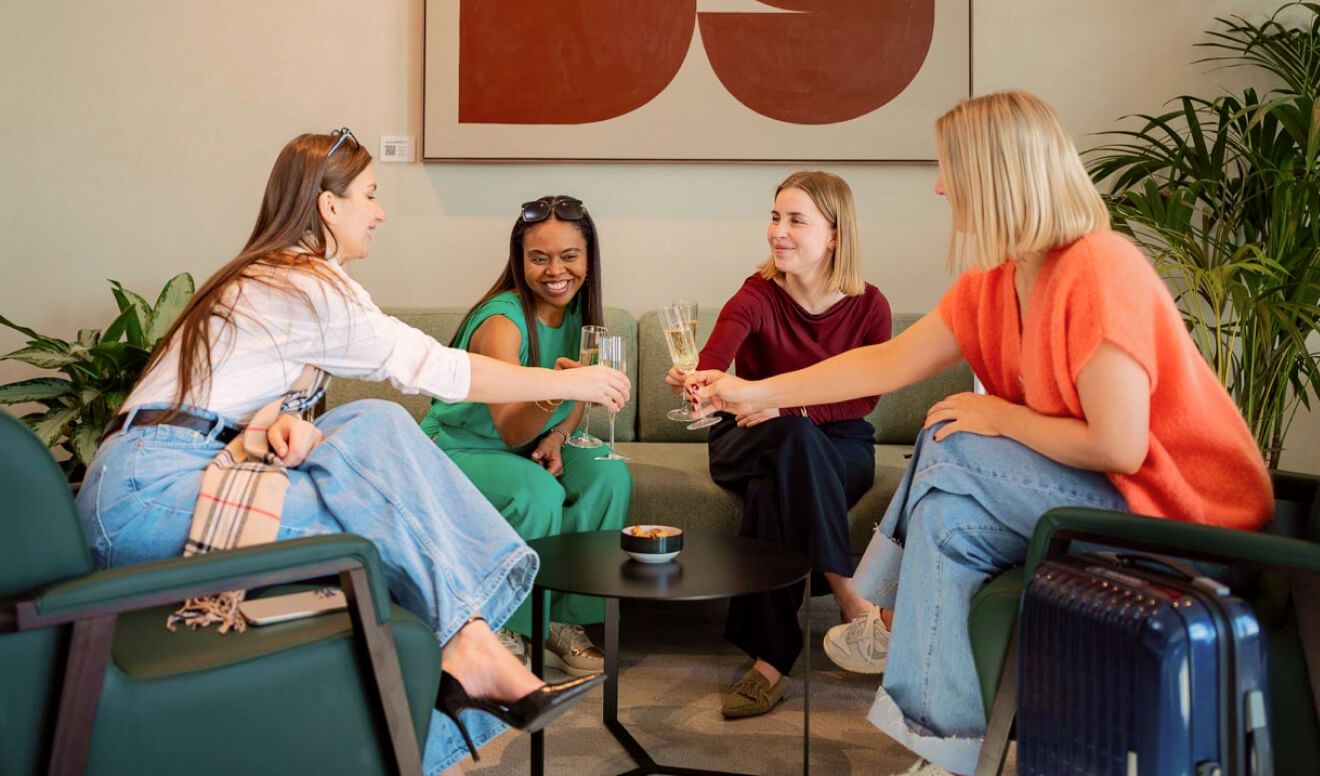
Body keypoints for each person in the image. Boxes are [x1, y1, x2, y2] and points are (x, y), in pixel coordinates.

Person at [688, 92, 1273, 774]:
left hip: (1181, 514)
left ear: (997, 174)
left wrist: (1000, 417)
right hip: (1094, 493)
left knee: (954, 441)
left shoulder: (1099, 266)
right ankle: (952, 752)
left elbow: (1121, 447)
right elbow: (887, 362)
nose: (938, 186)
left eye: (947, 169)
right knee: (943, 523)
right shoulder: (992, 283)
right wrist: (752, 391)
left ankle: (881, 612)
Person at [75, 129, 631, 776]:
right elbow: (434, 367)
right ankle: (473, 647)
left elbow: (213, 392)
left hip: (154, 480)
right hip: (150, 497)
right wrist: (571, 383)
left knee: (369, 433)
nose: (380, 211)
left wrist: (270, 421)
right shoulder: (302, 284)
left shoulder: (278, 277)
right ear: (327, 206)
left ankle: (461, 665)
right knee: (378, 474)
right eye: (369, 194)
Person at [664, 171, 891, 719]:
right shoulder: (757, 294)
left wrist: (789, 406)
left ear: (834, 234)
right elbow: (718, 362)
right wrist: (703, 382)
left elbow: (865, 400)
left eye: (795, 220)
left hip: (840, 445)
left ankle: (771, 662)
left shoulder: (869, 306)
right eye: (774, 217)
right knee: (789, 439)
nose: (777, 232)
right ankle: (851, 598)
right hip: (747, 438)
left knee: (777, 480)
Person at [420, 195, 630, 677]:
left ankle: (561, 620)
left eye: (569, 256)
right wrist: (563, 387)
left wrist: (557, 437)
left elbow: (575, 391)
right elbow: (511, 423)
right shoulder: (501, 322)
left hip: (525, 442)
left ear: (588, 260)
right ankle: (505, 623)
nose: (555, 270)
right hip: (460, 446)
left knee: (608, 474)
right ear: (520, 262)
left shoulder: (578, 312)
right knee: (534, 490)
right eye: (539, 258)